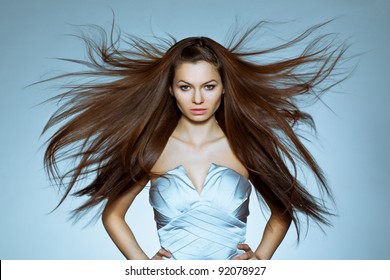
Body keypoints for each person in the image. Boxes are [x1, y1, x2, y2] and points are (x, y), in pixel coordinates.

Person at [41, 21, 348, 260]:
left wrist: (260, 259)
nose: (198, 98)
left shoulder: (244, 147)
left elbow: (282, 212)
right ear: (171, 90)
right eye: (186, 87)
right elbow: (113, 215)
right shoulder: (152, 149)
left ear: (225, 88)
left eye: (209, 86)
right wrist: (143, 267)